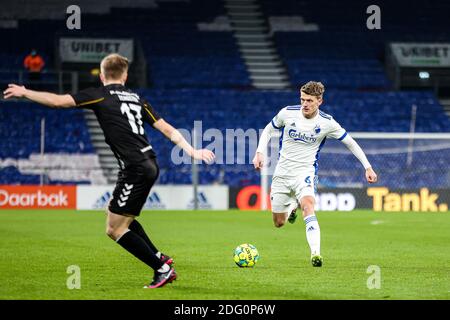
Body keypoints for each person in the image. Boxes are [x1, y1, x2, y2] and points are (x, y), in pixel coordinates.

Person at [4, 53, 215, 288]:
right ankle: (159, 258)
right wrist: (192, 150)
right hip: (147, 163)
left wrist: (26, 92)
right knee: (116, 214)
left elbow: (57, 102)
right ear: (125, 75)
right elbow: (167, 129)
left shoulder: (99, 95)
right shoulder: (137, 99)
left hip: (135, 168)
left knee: (114, 229)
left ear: (102, 75)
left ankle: (162, 269)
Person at [252, 81, 377, 267]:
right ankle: (291, 207)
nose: (305, 104)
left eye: (309, 100)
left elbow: (350, 142)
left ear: (320, 101)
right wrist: (259, 151)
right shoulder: (287, 112)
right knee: (279, 223)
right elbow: (269, 129)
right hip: (282, 174)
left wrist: (367, 166)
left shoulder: (327, 123)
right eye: (302, 99)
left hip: (305, 172)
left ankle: (315, 254)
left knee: (309, 206)